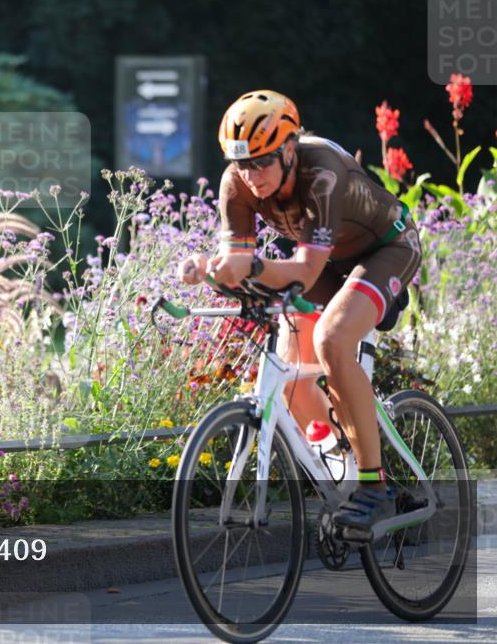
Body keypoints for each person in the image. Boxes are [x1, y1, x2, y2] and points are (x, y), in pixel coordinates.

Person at [178, 90, 422, 533]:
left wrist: (248, 266)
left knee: (332, 339)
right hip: (329, 260)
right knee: (293, 380)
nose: (251, 176)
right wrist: (211, 271)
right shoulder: (236, 184)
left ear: (290, 149)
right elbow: (239, 259)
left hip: (387, 249)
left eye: (262, 161)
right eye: (241, 164)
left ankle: (373, 486)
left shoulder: (321, 172)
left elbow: (304, 272)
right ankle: (343, 466)